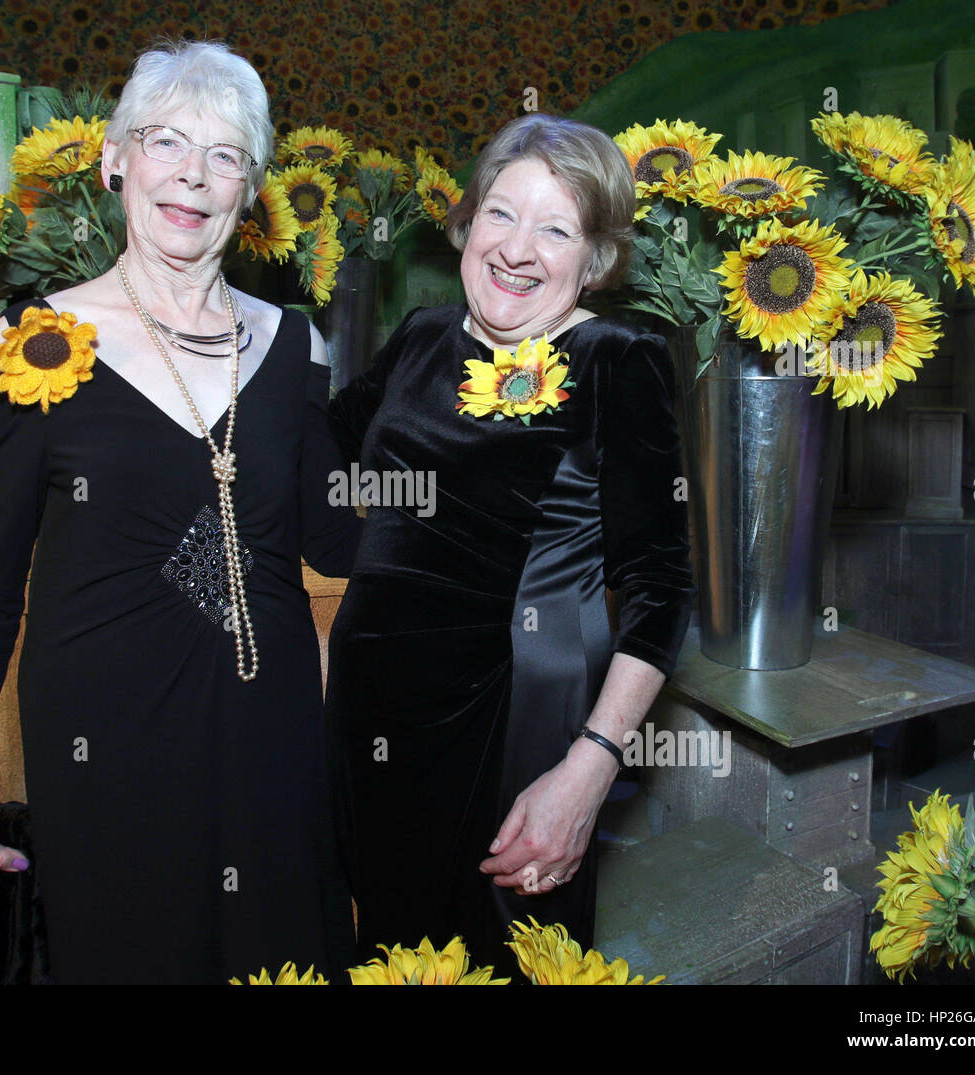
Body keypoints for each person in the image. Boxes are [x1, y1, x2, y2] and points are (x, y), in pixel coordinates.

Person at [0, 40, 360, 984]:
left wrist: (461, 425)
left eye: (226, 155)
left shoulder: (295, 344)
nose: (194, 174)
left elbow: (336, 533)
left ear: (253, 189)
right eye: (167, 142)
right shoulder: (41, 340)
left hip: (272, 733)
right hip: (108, 744)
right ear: (116, 160)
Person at [325, 113, 695, 969]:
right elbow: (318, 444)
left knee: (506, 953)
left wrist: (589, 770)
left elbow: (660, 587)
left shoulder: (617, 361)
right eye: (500, 213)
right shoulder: (423, 335)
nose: (517, 249)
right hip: (373, 715)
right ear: (466, 222)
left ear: (595, 260)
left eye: (555, 228)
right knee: (389, 947)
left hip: (516, 728)